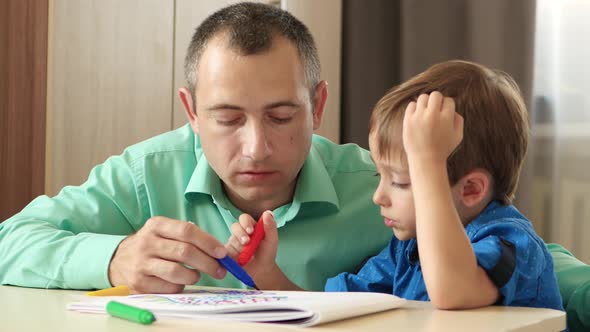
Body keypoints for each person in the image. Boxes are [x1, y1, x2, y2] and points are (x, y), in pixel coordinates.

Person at [0, 2, 390, 294]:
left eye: (281, 117)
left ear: (317, 106)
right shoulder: (146, 174)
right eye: (228, 119)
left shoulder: (381, 188)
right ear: (192, 111)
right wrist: (115, 258)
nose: (256, 149)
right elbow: (10, 241)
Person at [228, 60, 564, 311]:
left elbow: (452, 292)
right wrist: (266, 273)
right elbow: (328, 309)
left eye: (402, 182)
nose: (379, 196)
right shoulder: (406, 251)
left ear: (472, 189)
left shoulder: (510, 242)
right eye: (380, 177)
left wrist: (428, 160)